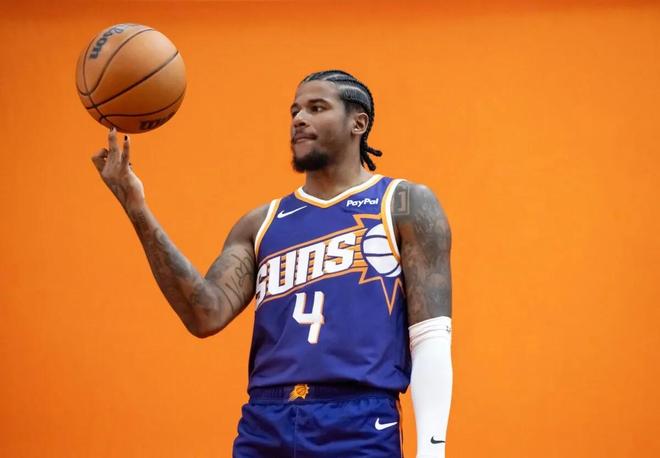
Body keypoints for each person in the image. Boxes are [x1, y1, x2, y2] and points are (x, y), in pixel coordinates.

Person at [91, 70, 453, 458]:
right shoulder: (261, 223)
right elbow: (204, 314)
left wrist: (432, 451)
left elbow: (430, 337)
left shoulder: (403, 203)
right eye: (295, 110)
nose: (299, 119)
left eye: (317, 108)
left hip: (358, 420)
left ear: (358, 123)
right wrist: (137, 208)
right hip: (266, 420)